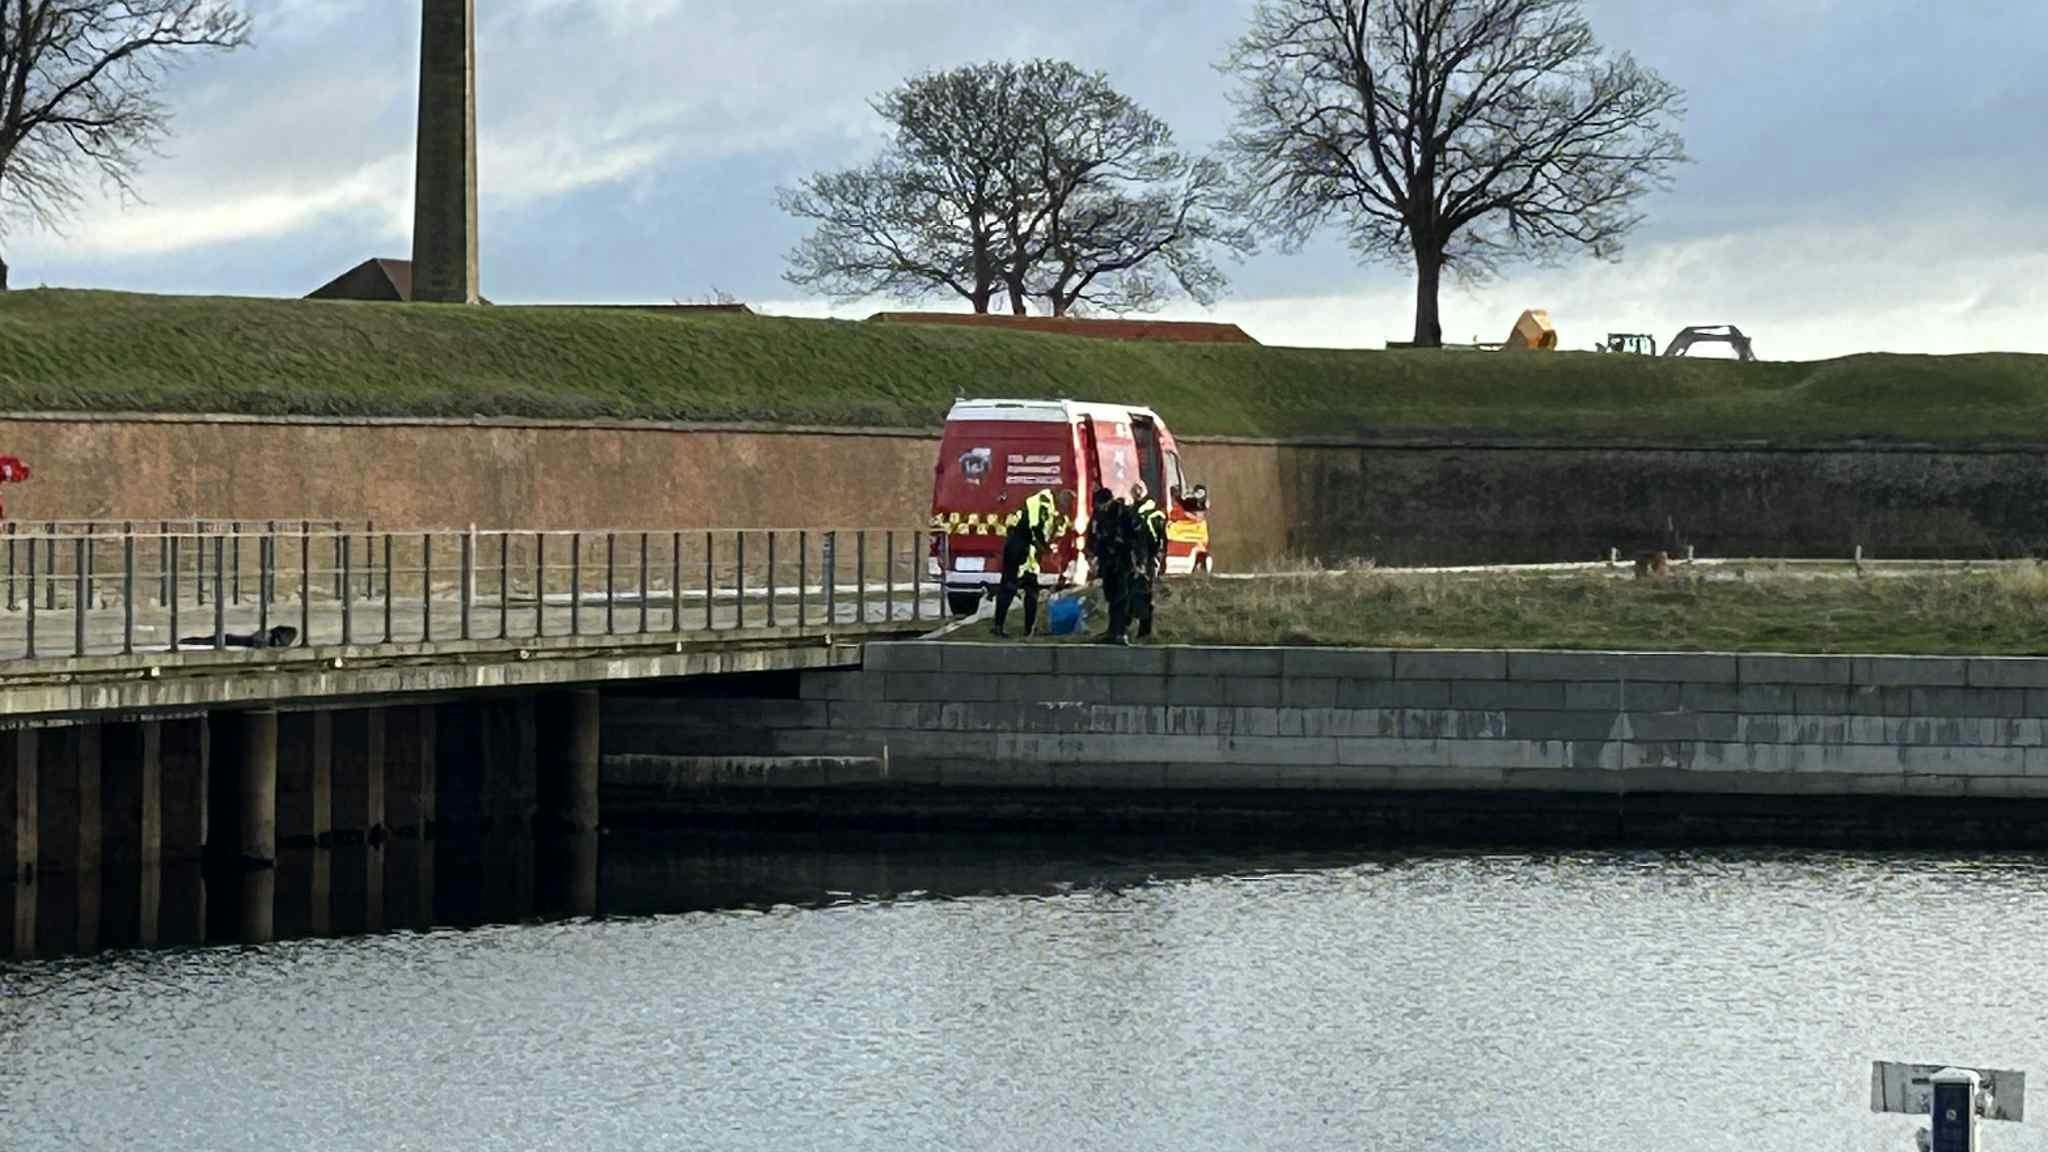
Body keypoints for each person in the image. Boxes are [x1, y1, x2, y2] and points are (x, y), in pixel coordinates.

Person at [993, 486, 1070, 637]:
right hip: (1018, 547)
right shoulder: (1042, 502)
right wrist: (1045, 548)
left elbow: (1050, 532)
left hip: (1028, 550)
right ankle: (999, 626)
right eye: (1066, 501)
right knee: (1010, 586)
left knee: (1030, 588)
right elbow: (1035, 528)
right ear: (1059, 496)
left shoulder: (1053, 510)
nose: (1066, 506)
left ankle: (1029, 629)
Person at [1085, 487, 1131, 644]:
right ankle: (1112, 631)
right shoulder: (1098, 515)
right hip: (1106, 561)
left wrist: (1138, 560)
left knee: (1120, 597)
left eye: (1102, 505)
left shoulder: (1123, 514)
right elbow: (1091, 535)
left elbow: (1136, 539)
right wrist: (1090, 554)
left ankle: (1120, 632)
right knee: (1111, 595)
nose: (1100, 508)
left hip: (1122, 561)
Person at [1126, 481, 1168, 640]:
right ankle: (1135, 629)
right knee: (1134, 592)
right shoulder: (1135, 512)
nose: (1135, 493)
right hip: (1139, 558)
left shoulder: (1148, 514)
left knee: (1142, 593)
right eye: (1134, 490)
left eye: (1138, 490)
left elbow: (1156, 539)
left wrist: (1154, 558)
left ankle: (1142, 630)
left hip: (1145, 559)